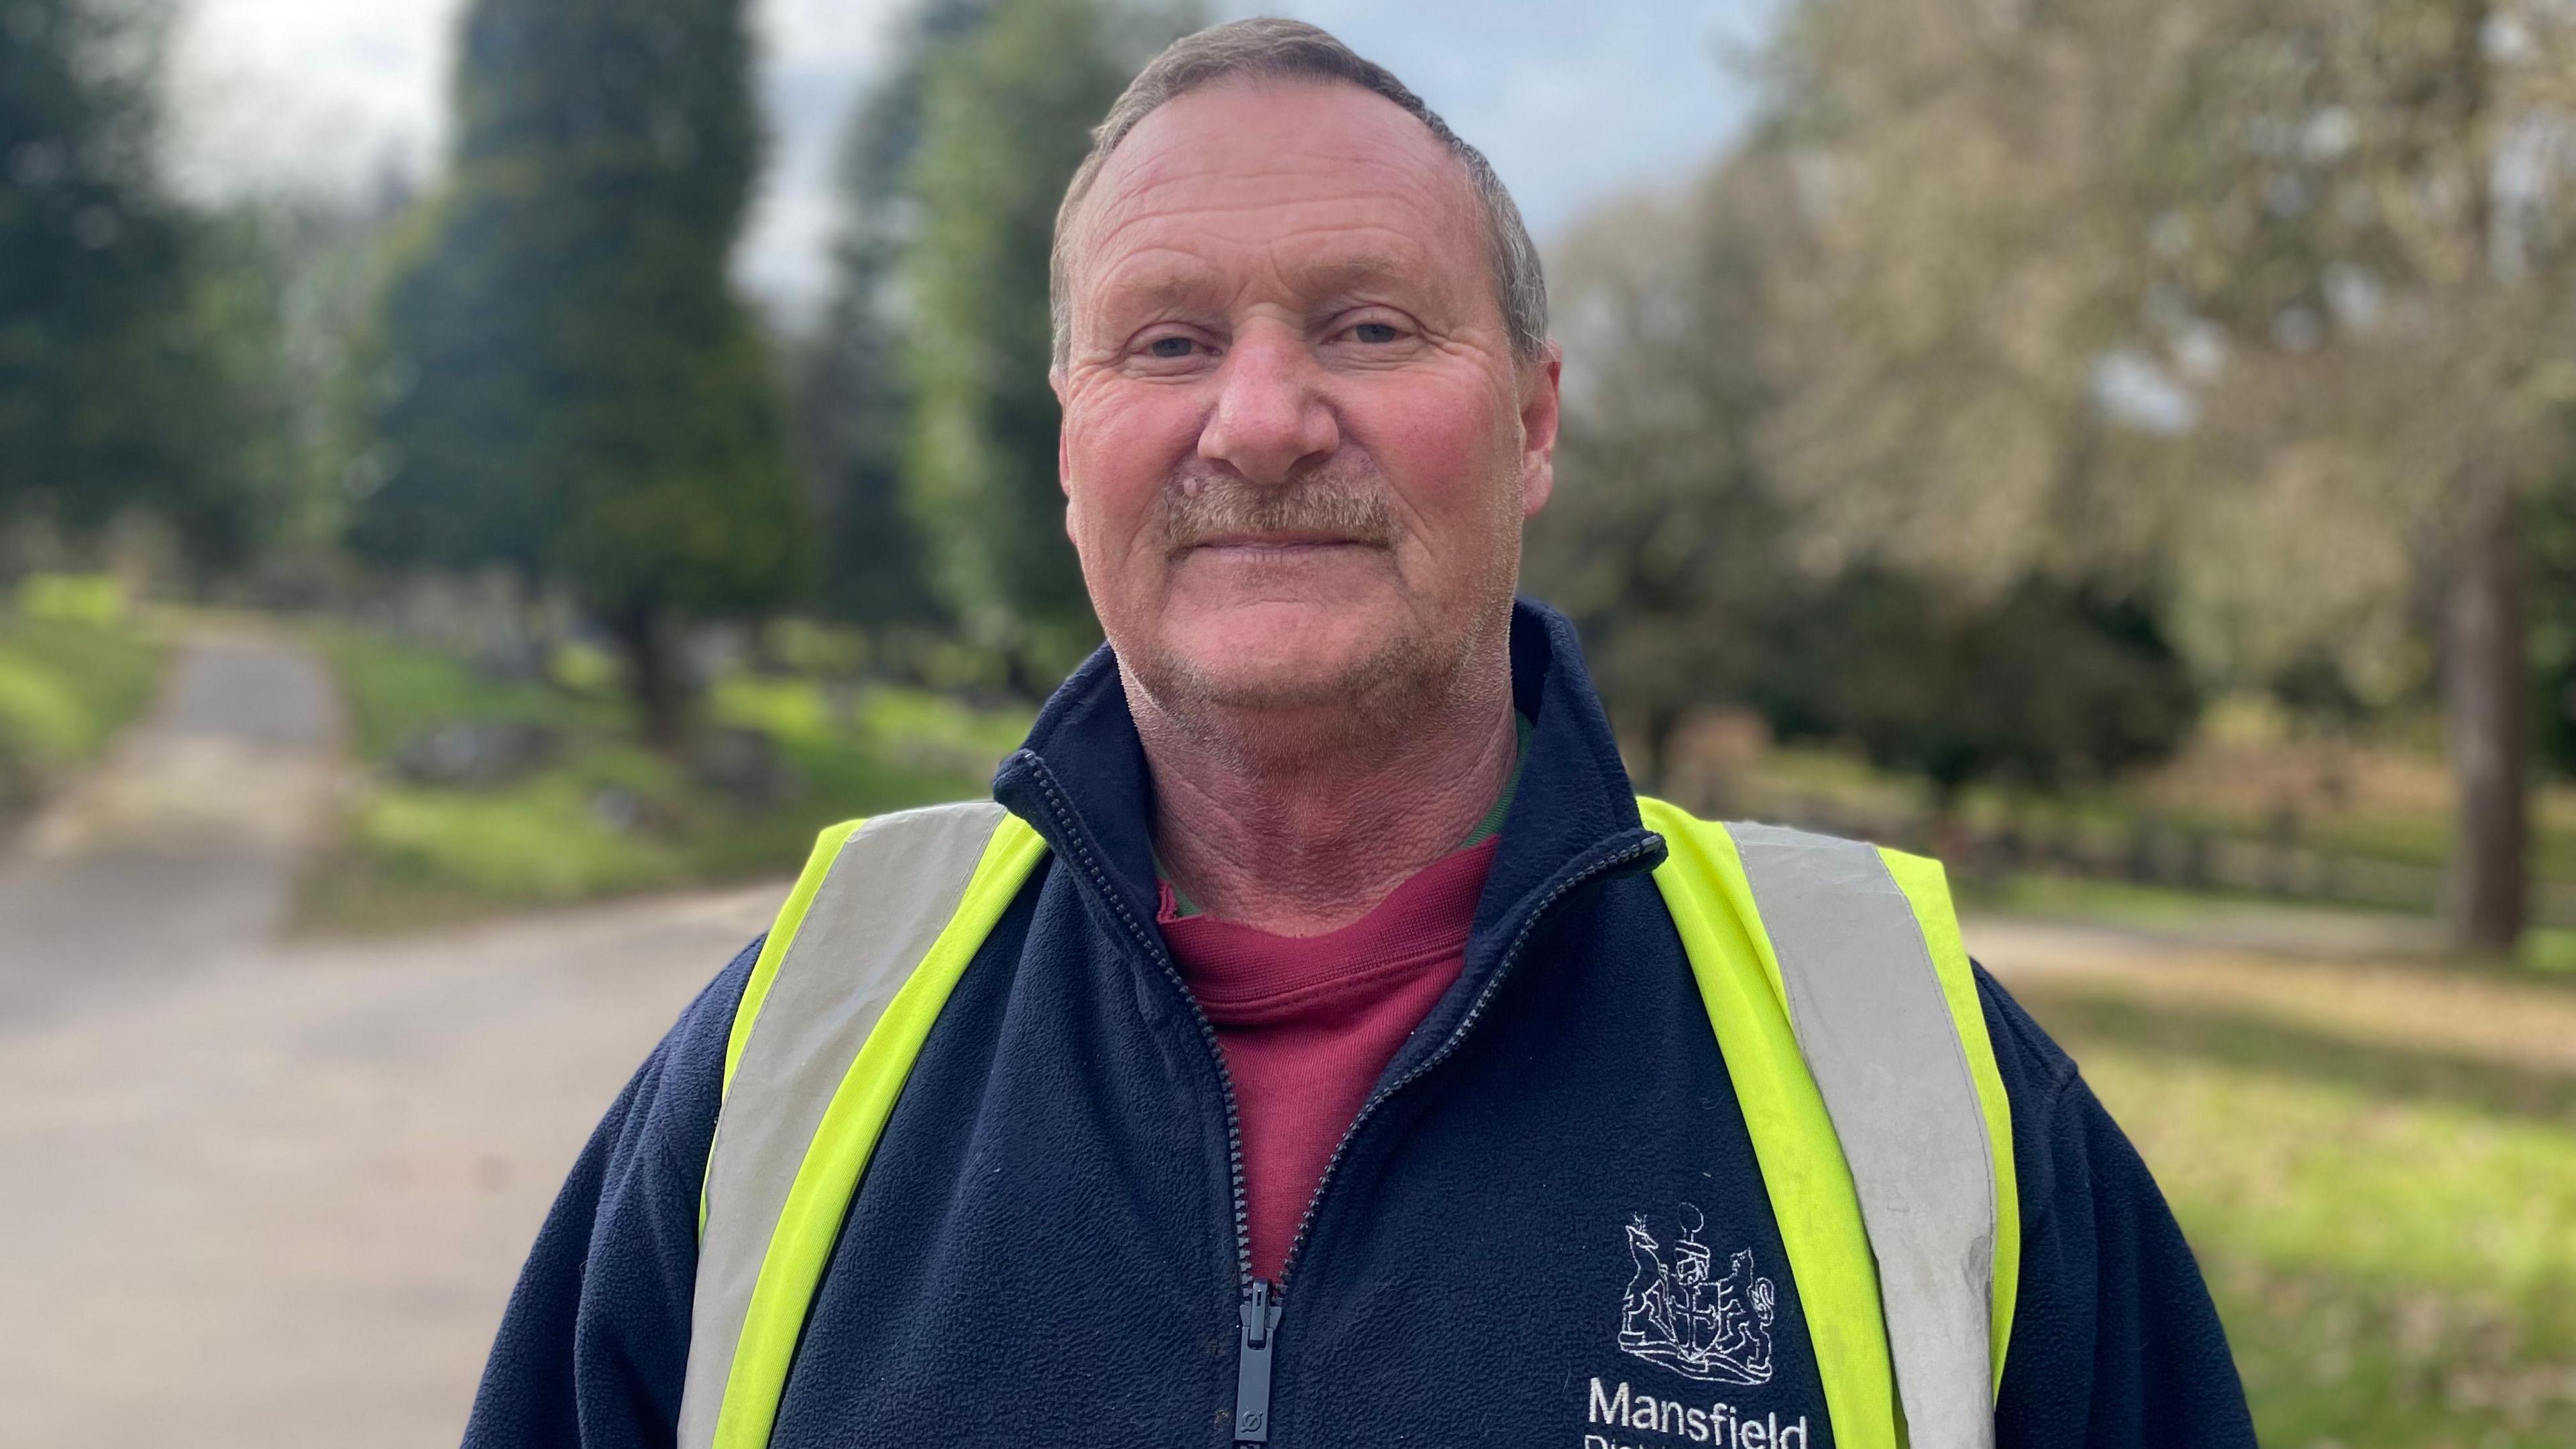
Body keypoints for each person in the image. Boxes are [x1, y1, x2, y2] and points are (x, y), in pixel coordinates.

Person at [464, 19, 2255, 1449]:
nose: (1259, 419)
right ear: (1070, 436)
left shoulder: (1914, 1072)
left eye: (1368, 325)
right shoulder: (796, 1040)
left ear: (1534, 422)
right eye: (1166, 342)